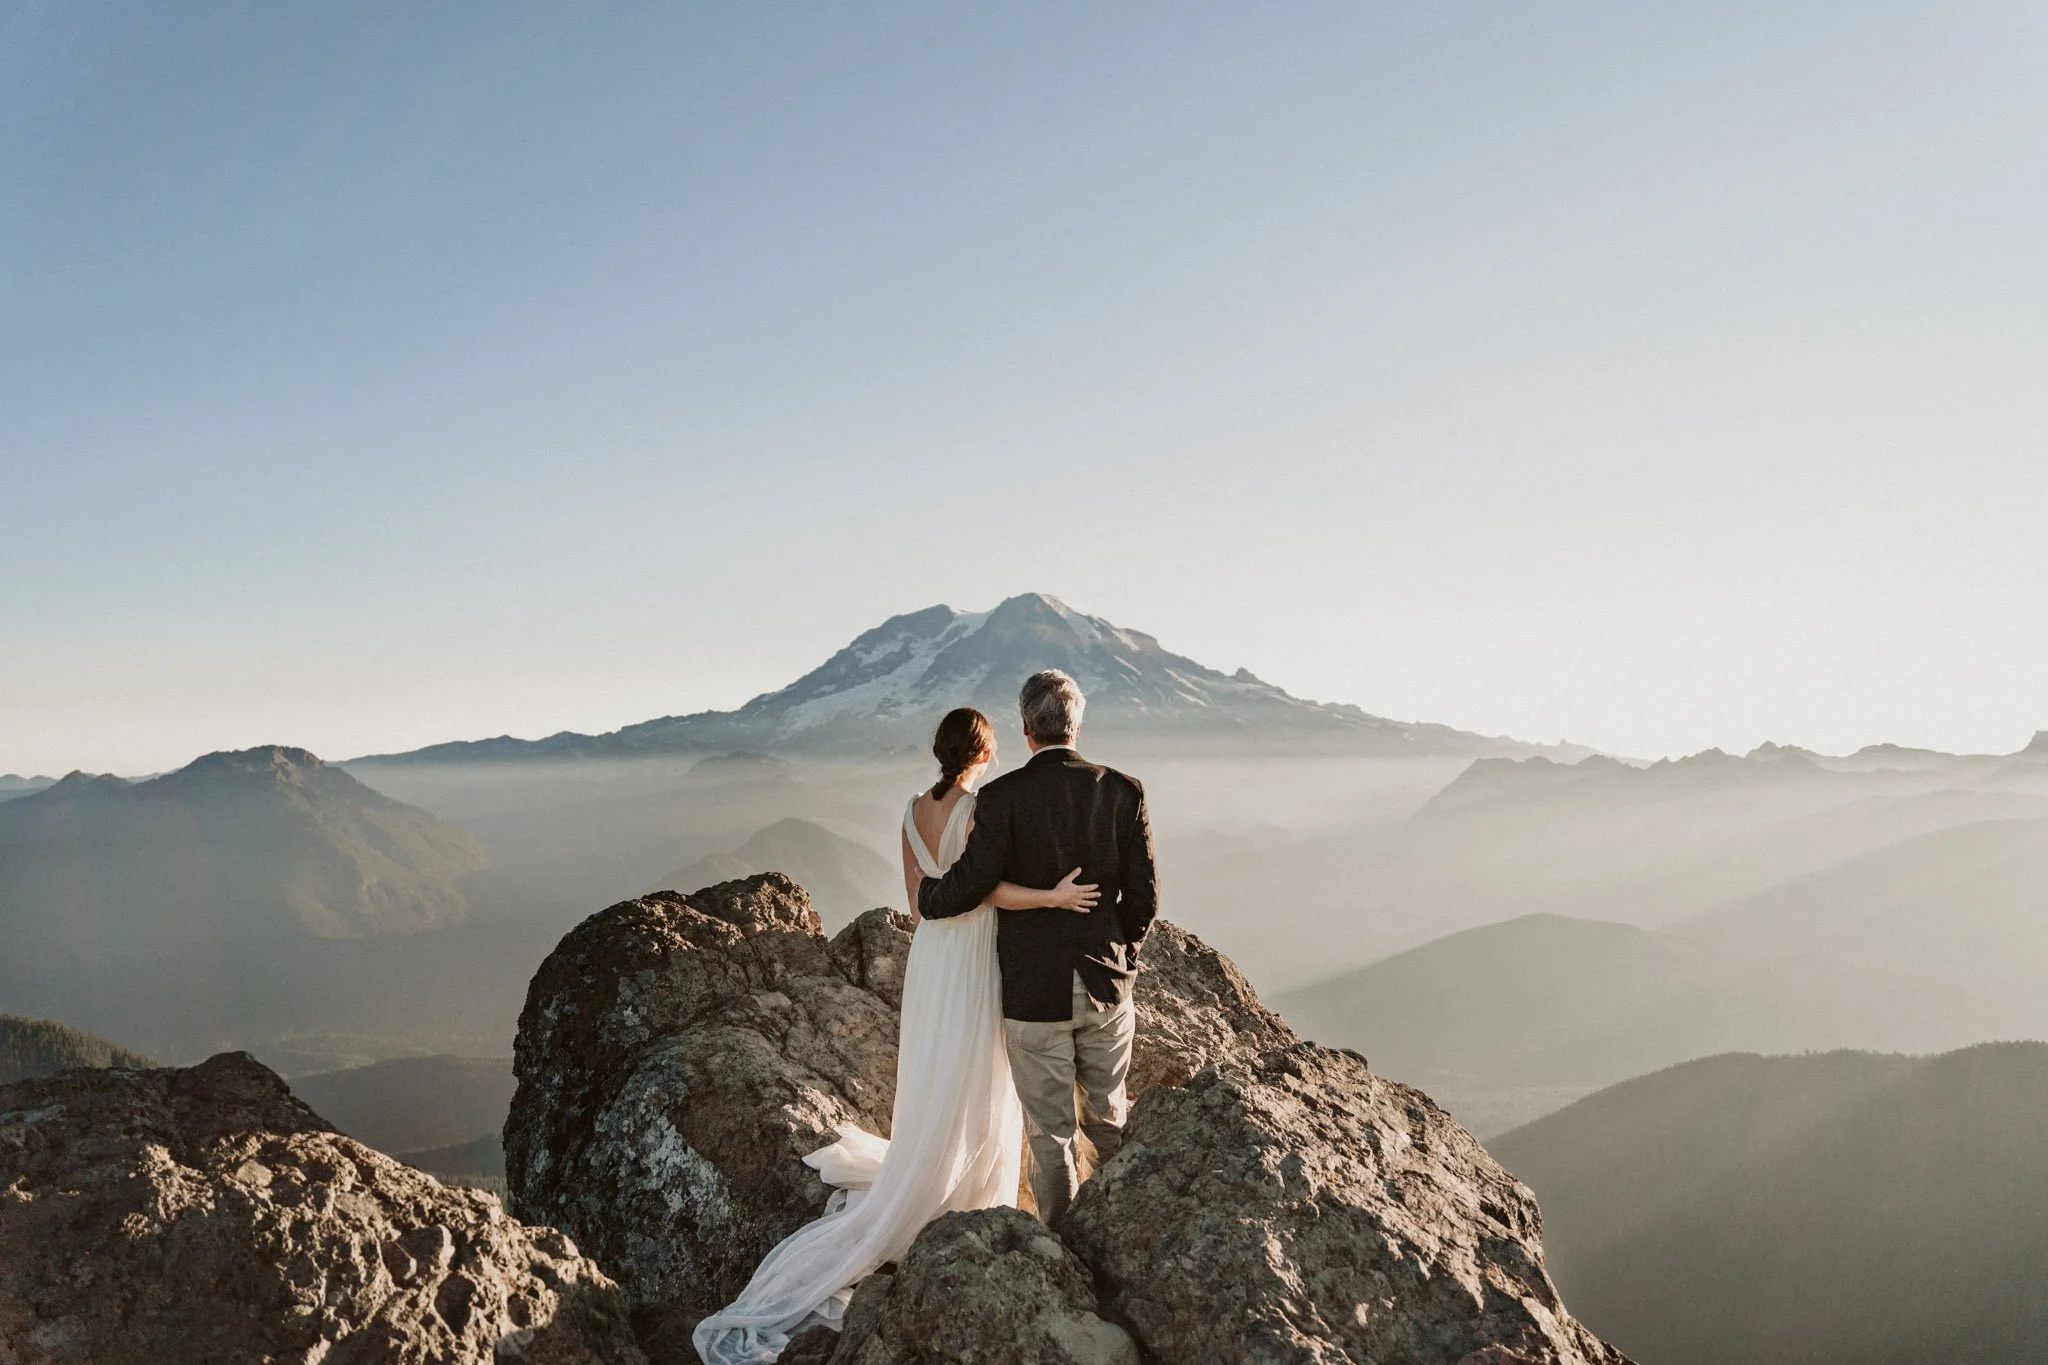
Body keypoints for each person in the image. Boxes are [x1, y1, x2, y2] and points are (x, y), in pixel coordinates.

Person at [693, 706, 1098, 1365]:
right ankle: (970, 1194)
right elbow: (990, 890)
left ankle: (930, 1168)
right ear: (984, 750)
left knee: (943, 1064)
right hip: (972, 953)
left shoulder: (911, 809)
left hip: (932, 953)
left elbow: (918, 903)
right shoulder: (982, 807)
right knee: (979, 1071)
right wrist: (1053, 898)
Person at [917, 669, 1158, 1224]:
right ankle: (1123, 1230)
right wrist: (1123, 957)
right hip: (1106, 987)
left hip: (1033, 992)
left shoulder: (1001, 797)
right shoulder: (1122, 791)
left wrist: (929, 896)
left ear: (1026, 729)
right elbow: (1144, 897)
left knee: (1049, 1135)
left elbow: (973, 882)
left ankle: (1064, 1242)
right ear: (1076, 725)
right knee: (1109, 1120)